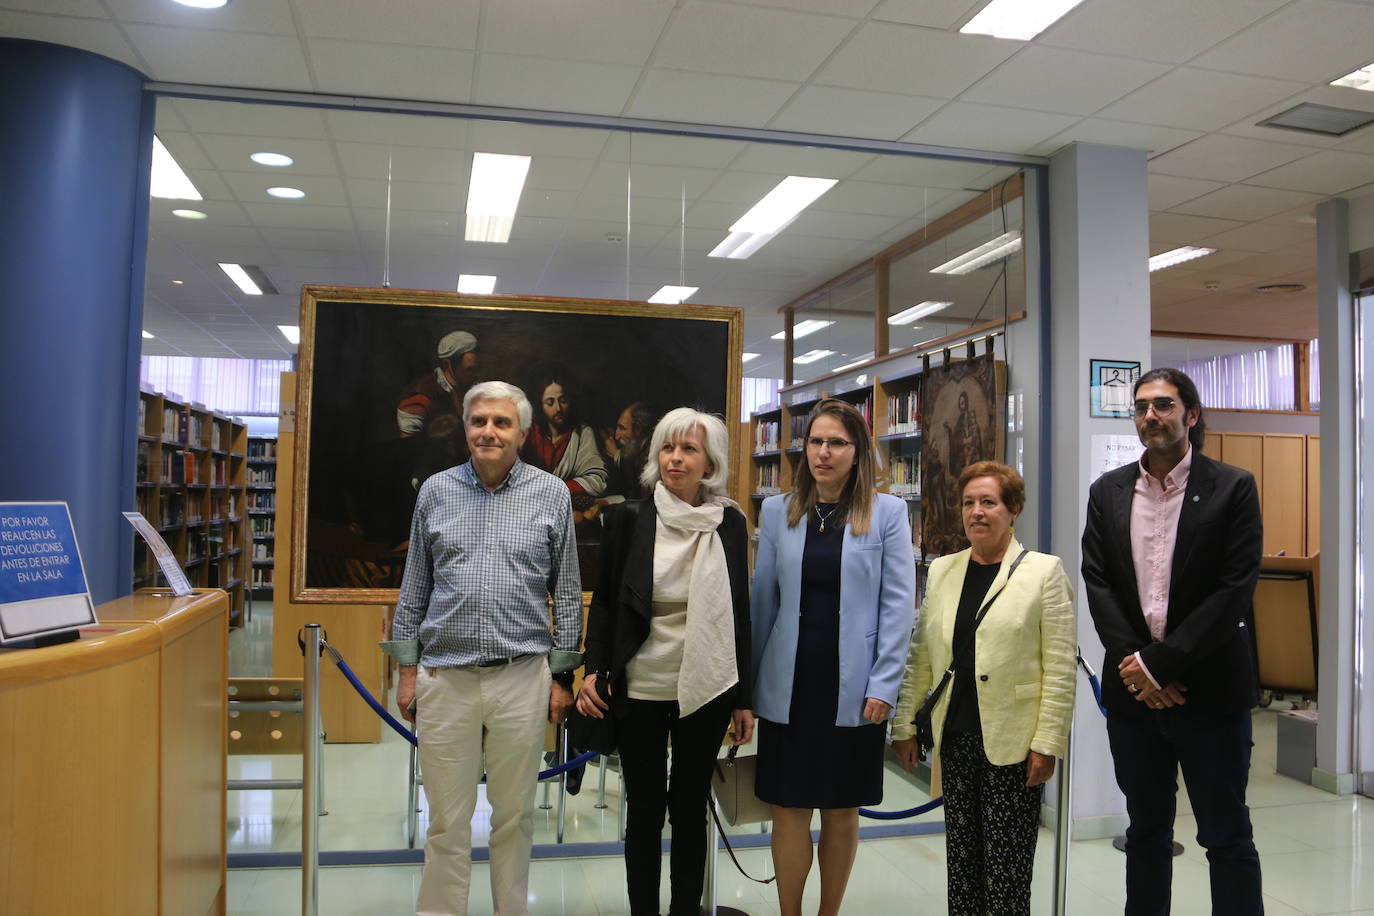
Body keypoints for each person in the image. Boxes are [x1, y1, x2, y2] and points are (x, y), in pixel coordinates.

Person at [382, 380, 583, 916]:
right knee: (446, 819)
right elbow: (415, 586)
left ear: (521, 432)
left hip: (522, 676)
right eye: (479, 422)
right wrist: (406, 671)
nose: (488, 431)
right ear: (466, 428)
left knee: (513, 817)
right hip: (445, 676)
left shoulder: (550, 494)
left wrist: (562, 679)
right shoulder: (436, 491)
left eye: (501, 422)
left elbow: (566, 590)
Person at [1082, 367, 1264, 915]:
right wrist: (1139, 669)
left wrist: (1160, 664)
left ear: (1192, 414)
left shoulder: (1233, 487)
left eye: (1163, 405)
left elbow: (1234, 589)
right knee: (1145, 833)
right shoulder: (1107, 491)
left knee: (1225, 836)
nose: (1150, 416)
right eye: (1140, 407)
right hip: (1135, 700)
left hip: (1209, 694)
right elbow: (1099, 583)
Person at [576, 407, 753, 916]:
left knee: (691, 809)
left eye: (689, 449)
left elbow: (739, 610)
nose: (676, 458)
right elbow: (607, 600)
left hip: (709, 683)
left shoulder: (731, 522)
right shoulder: (629, 518)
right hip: (642, 684)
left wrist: (744, 697)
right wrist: (595, 669)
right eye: (668, 448)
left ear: (709, 461)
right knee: (646, 811)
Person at [748, 398, 915, 916]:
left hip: (855, 686)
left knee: (842, 808)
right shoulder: (778, 511)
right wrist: (745, 693)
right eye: (815, 441)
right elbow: (762, 605)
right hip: (788, 682)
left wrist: (884, 685)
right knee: (789, 805)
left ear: (858, 450)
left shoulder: (887, 512)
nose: (823, 452)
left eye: (837, 442)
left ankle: (828, 913)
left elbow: (897, 604)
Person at [892, 460, 1076, 915]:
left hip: (1013, 745)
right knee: (964, 865)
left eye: (989, 502)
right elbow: (922, 656)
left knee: (1006, 874)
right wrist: (905, 725)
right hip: (955, 739)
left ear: (1012, 511)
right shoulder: (943, 571)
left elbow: (1059, 669)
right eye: (969, 502)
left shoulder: (1044, 573)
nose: (977, 512)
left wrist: (1047, 742)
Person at [396, 329, 481, 492]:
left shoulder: (474, 390)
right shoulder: (420, 396)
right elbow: (406, 452)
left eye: (477, 368)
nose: (476, 374)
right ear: (447, 364)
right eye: (470, 369)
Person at [522, 367, 608, 498]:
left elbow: (597, 480)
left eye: (563, 401)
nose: (558, 408)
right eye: (550, 402)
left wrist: (556, 490)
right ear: (540, 405)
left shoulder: (582, 433)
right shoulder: (530, 433)